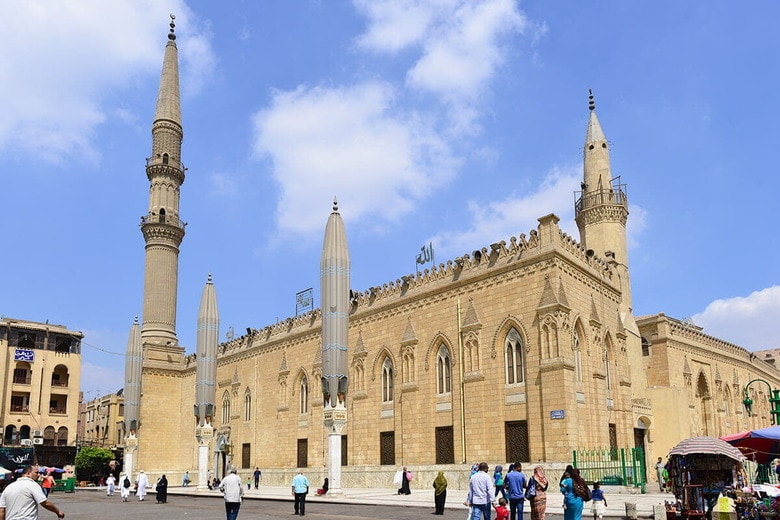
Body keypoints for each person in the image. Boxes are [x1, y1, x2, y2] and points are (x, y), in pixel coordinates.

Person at [0, 465, 65, 519]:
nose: (39, 474)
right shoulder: (32, 484)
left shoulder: (9, 487)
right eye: (36, 472)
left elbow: (2, 509)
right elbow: (45, 503)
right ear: (28, 474)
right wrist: (58, 512)